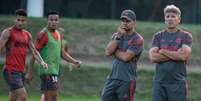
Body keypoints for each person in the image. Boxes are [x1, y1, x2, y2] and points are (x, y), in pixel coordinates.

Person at [25, 10, 81, 101]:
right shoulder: (43, 34)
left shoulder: (59, 34)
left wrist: (74, 61)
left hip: (55, 70)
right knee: (53, 97)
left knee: (48, 97)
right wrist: (30, 71)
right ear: (47, 21)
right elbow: (34, 52)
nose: (53, 22)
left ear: (58, 21)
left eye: (56, 20)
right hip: (47, 71)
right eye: (51, 20)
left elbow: (62, 53)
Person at [0, 9, 48, 101]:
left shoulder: (27, 35)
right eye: (18, 20)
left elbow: (34, 51)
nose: (20, 23)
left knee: (13, 98)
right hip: (10, 71)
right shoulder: (8, 32)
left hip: (21, 71)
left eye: (23, 20)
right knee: (22, 96)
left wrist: (42, 62)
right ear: (14, 20)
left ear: (26, 21)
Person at [149, 5, 192, 101]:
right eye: (167, 16)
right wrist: (176, 53)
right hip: (159, 83)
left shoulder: (186, 36)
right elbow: (153, 57)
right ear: (164, 19)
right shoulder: (158, 36)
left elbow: (183, 56)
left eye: (173, 16)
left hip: (178, 83)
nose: (170, 19)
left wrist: (163, 51)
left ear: (179, 19)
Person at [101, 9, 144, 101]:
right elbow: (107, 52)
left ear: (134, 22)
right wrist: (118, 36)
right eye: (123, 20)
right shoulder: (117, 36)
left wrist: (114, 51)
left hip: (127, 81)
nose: (125, 23)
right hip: (112, 79)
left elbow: (126, 57)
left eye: (128, 21)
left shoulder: (138, 39)